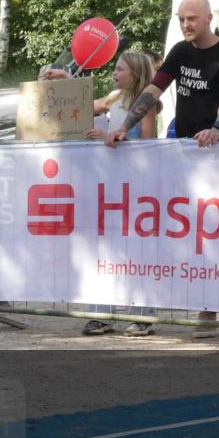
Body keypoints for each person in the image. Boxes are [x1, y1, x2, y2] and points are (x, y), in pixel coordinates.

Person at [106, 0, 219, 338]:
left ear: (209, 19)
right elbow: (154, 90)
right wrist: (125, 126)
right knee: (192, 228)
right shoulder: (181, 52)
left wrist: (217, 127)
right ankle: (203, 303)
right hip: (185, 153)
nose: (186, 25)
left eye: (192, 19)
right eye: (182, 19)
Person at [83, 51, 159, 337]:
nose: (115, 74)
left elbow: (149, 144)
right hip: (109, 186)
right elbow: (85, 104)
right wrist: (66, 82)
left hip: (137, 188)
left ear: (136, 74)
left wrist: (107, 138)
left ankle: (144, 315)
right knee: (105, 249)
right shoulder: (114, 98)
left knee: (137, 251)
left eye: (120, 69)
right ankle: (101, 313)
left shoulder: (147, 104)